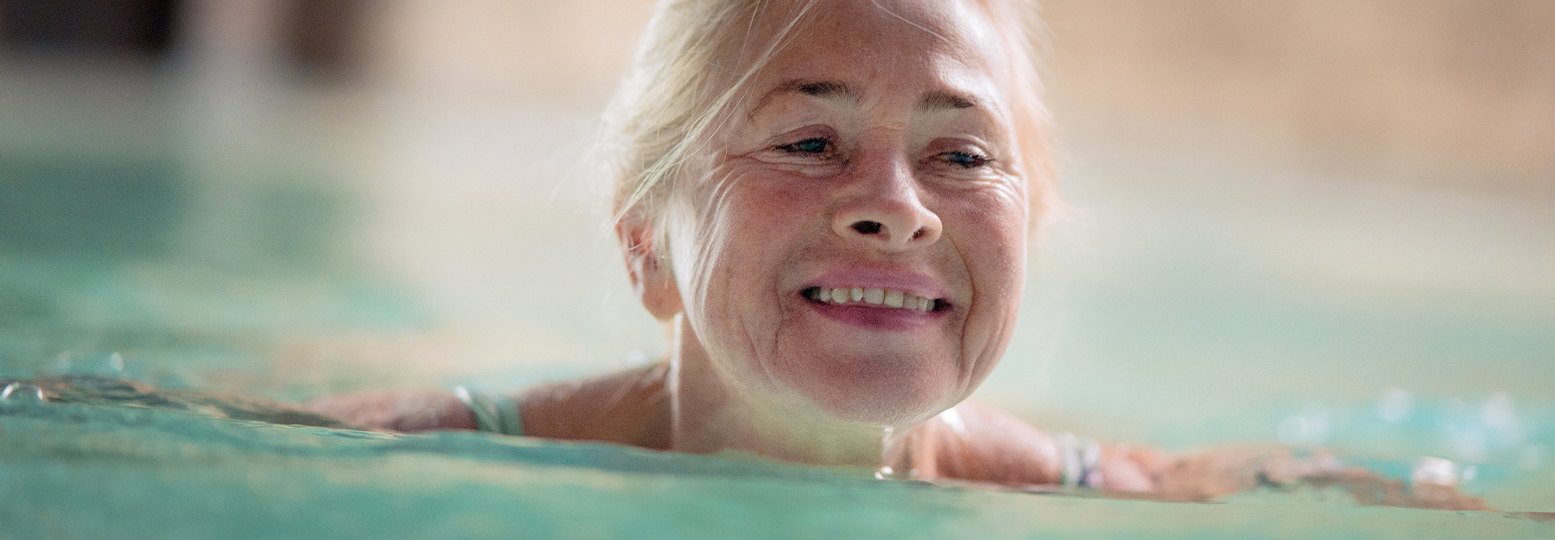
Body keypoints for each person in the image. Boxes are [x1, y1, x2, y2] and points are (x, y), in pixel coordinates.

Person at [308, 0, 1482, 508]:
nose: (897, 208)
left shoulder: (1124, 501)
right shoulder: (400, 461)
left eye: (963, 157)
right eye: (812, 140)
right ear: (644, 246)